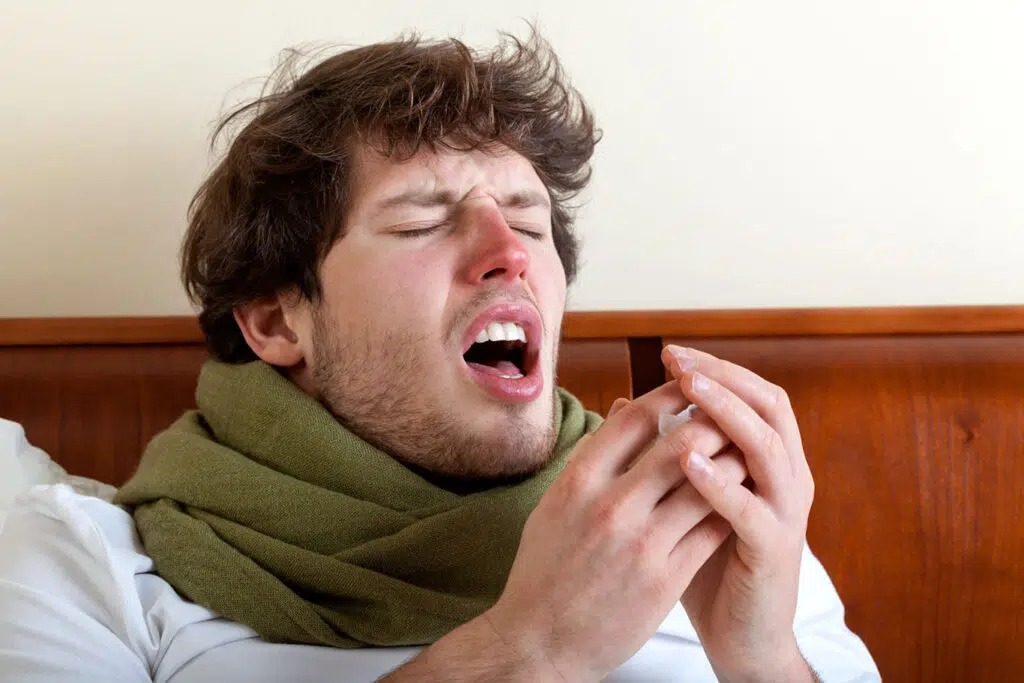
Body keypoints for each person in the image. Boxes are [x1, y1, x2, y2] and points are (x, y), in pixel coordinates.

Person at [0, 30, 879, 682]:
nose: (511, 252)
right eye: (421, 219)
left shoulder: (724, 532)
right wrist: (530, 649)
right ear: (276, 321)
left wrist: (761, 654)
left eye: (529, 219)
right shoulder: (89, 569)